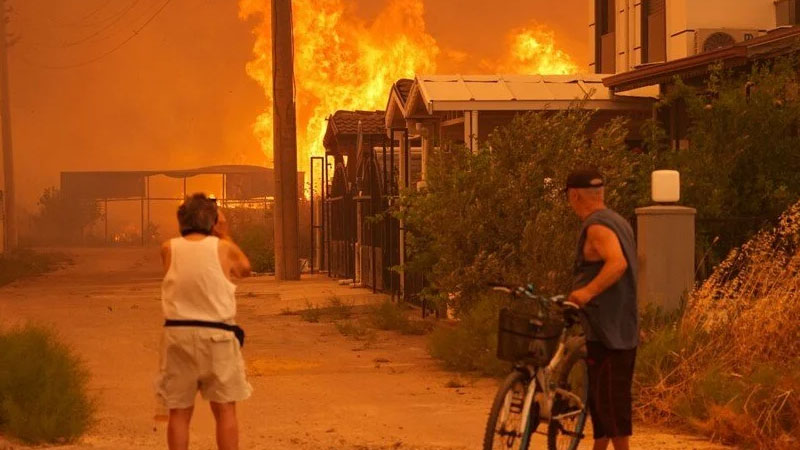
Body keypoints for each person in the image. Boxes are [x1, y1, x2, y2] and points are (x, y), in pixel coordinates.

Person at [155, 193, 253, 450]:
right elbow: (244, 269)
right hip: (217, 337)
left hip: (179, 336)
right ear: (213, 222)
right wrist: (224, 233)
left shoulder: (168, 248)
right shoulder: (223, 248)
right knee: (224, 409)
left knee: (179, 412)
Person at [565, 169, 638, 450]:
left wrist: (585, 292)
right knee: (603, 406)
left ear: (574, 195)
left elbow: (617, 264)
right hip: (620, 327)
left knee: (613, 410)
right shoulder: (619, 222)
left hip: (610, 333)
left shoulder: (596, 226)